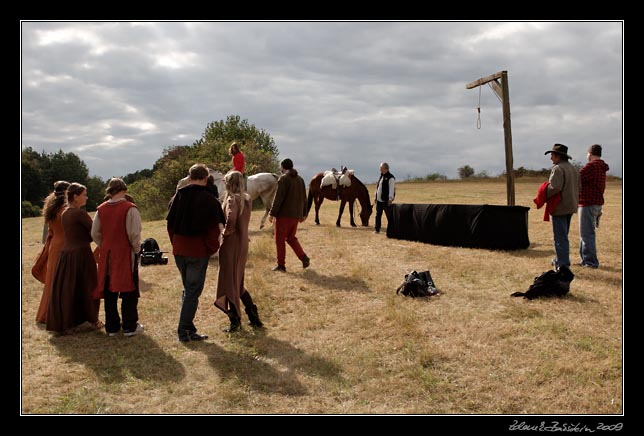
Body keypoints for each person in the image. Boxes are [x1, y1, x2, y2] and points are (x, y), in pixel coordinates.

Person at [167, 163, 225, 342]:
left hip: (179, 249)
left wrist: (175, 244)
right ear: (206, 178)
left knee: (188, 290)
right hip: (197, 251)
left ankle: (188, 327)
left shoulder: (178, 196)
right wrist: (209, 249)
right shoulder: (209, 199)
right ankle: (184, 331)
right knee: (192, 291)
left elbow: (170, 224)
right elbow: (214, 231)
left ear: (190, 176)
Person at [92, 178, 144, 337]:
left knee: (109, 291)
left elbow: (95, 233)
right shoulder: (130, 208)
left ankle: (112, 327)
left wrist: (105, 244)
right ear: (124, 190)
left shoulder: (100, 209)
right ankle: (129, 326)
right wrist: (136, 250)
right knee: (129, 290)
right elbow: (134, 234)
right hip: (124, 253)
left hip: (107, 254)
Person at [46, 183, 101, 334]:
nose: (86, 197)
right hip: (80, 253)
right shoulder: (78, 213)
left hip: (67, 253)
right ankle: (92, 319)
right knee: (88, 286)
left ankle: (70, 321)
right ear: (75, 197)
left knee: (69, 288)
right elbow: (94, 233)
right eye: (84, 194)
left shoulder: (65, 212)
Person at [214, 171, 264, 332]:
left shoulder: (231, 199)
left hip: (232, 244)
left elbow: (231, 218)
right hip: (242, 244)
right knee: (238, 282)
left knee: (230, 281)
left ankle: (235, 321)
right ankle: (253, 317)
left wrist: (225, 232)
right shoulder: (247, 199)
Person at [32, 180, 70, 324]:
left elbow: (50, 232)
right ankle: (60, 314)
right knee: (64, 280)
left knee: (53, 280)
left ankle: (46, 313)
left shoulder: (51, 208)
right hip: (65, 245)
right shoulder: (65, 210)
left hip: (54, 245)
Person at [268, 158, 310, 272]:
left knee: (279, 240)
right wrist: (304, 214)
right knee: (291, 238)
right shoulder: (300, 180)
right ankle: (303, 257)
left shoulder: (283, 179)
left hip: (283, 215)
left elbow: (278, 198)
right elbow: (304, 199)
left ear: (283, 167)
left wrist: (272, 213)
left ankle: (281, 265)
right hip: (296, 215)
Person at [544, 144, 580, 270]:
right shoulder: (574, 169)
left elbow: (555, 187)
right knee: (564, 235)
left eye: (552, 155)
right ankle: (559, 259)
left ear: (558, 156)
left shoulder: (558, 168)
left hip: (560, 206)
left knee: (560, 238)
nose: (551, 158)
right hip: (571, 205)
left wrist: (544, 192)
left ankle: (563, 265)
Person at [578, 144, 610, 268]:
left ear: (590, 153)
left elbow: (577, 178)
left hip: (588, 202)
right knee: (586, 232)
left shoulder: (591, 166)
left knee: (586, 233)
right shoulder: (602, 167)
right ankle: (585, 259)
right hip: (597, 202)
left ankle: (590, 262)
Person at [373, 162, 396, 234]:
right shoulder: (381, 176)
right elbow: (378, 187)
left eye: (381, 169)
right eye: (380, 169)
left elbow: (392, 189)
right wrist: (375, 196)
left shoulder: (391, 178)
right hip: (379, 200)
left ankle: (393, 230)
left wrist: (390, 198)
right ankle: (377, 229)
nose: (380, 170)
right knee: (378, 215)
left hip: (386, 200)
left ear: (386, 169)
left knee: (389, 216)